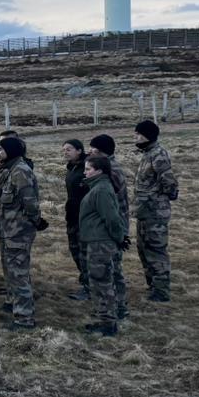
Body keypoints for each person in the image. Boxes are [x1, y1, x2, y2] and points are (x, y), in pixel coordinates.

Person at [0, 136, 42, 329]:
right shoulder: (11, 170)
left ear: (11, 151)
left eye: (1, 149)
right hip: (10, 232)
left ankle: (24, 320)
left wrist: (33, 222)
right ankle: (19, 310)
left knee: (19, 275)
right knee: (15, 274)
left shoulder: (20, 172)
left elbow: (30, 203)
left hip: (18, 233)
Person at [78, 153, 125, 336]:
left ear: (99, 170)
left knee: (101, 282)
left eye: (88, 169)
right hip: (97, 241)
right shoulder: (99, 187)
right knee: (100, 281)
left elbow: (112, 218)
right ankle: (104, 318)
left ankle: (107, 323)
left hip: (100, 243)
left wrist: (119, 238)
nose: (85, 173)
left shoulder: (101, 190)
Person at [134, 119, 177, 301]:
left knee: (155, 250)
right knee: (143, 248)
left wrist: (157, 199)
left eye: (138, 134)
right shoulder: (148, 154)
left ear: (147, 136)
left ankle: (161, 291)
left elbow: (169, 182)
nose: (134, 137)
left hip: (155, 213)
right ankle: (152, 285)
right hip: (145, 212)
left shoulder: (158, 155)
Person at [88, 134, 131, 321]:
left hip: (111, 228)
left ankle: (114, 309)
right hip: (113, 225)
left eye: (93, 150)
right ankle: (119, 307)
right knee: (113, 268)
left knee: (111, 270)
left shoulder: (109, 172)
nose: (90, 152)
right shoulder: (110, 168)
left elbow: (108, 207)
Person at [61, 139, 89, 299]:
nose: (65, 152)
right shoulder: (72, 168)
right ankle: (86, 283)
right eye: (64, 149)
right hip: (72, 215)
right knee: (75, 250)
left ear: (79, 150)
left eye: (69, 149)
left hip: (84, 217)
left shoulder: (87, 167)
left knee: (84, 252)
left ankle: (89, 287)